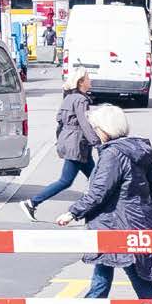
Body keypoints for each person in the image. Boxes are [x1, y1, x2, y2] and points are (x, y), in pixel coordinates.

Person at [57, 102, 152, 304]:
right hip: (138, 217)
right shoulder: (137, 149)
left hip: (121, 222)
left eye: (94, 127)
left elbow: (98, 191)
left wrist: (73, 212)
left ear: (104, 129)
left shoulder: (112, 153)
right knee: (104, 263)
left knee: (136, 272)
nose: (93, 131)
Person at [21, 70, 95, 218]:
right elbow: (84, 123)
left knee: (96, 177)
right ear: (81, 82)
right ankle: (32, 202)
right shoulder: (81, 100)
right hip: (77, 145)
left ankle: (96, 209)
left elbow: (60, 119)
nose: (90, 80)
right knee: (67, 181)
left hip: (69, 142)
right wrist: (97, 141)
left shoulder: (68, 98)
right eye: (88, 78)